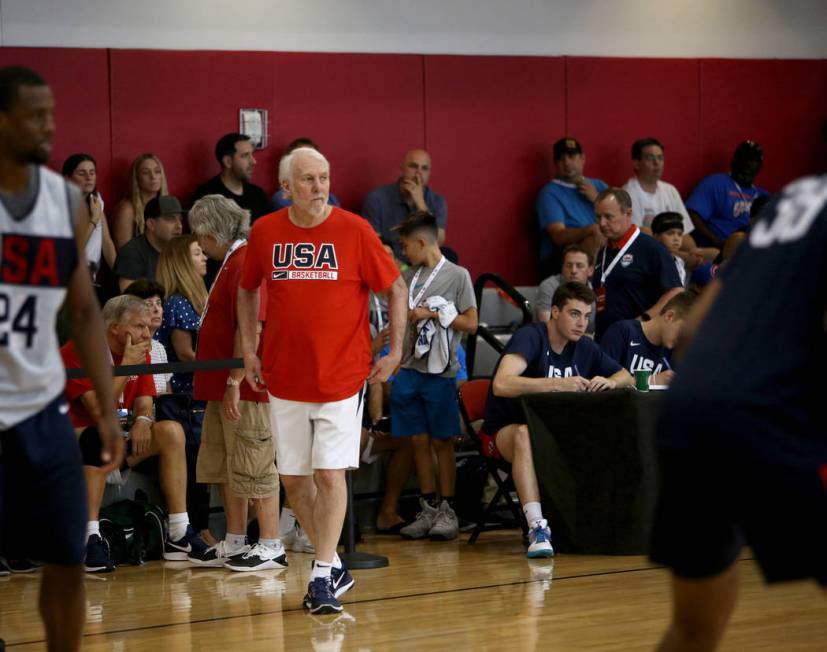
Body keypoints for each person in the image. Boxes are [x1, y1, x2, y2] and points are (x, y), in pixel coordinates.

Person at [650, 175, 827, 650]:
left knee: (692, 631)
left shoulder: (794, 199)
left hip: (693, 409)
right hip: (767, 418)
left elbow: (688, 338)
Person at [238, 146, 407, 614]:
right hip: (284, 377)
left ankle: (319, 577)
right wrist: (250, 350)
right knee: (294, 481)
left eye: (325, 178)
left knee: (329, 473)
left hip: (342, 376)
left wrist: (394, 351)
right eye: (309, 180)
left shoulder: (354, 229)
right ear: (286, 187)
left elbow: (395, 286)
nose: (319, 188)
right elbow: (248, 289)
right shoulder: (265, 231)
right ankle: (332, 566)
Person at [0, 65, 123, 652]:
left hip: (42, 406)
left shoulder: (66, 200)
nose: (50, 126)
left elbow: (84, 310)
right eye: (35, 115)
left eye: (53, 112)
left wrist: (108, 409)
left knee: (66, 557)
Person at [480, 282, 632, 558]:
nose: (581, 323)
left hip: (554, 435)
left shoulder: (585, 346)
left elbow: (627, 376)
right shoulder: (530, 336)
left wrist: (608, 381)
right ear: (554, 312)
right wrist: (556, 384)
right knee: (524, 434)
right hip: (503, 431)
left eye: (587, 316)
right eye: (574, 314)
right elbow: (502, 384)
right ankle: (537, 528)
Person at [62, 295, 208, 572]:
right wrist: (126, 365)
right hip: (76, 440)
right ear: (114, 327)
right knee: (97, 438)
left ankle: (179, 532)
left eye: (146, 326)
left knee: (171, 431)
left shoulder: (142, 351)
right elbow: (98, 410)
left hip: (121, 436)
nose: (146, 333)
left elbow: (145, 399)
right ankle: (88, 537)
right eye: (138, 326)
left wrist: (143, 419)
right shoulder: (79, 351)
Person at [187, 194, 285, 571]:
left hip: (244, 388)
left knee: (255, 461)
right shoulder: (231, 262)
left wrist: (234, 379)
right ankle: (236, 539)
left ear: (211, 232)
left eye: (199, 232)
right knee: (227, 465)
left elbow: (253, 326)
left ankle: (272, 543)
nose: (198, 239)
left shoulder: (245, 260)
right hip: (222, 385)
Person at [389, 211, 478, 542]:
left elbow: (471, 323)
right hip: (410, 370)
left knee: (442, 441)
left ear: (421, 242)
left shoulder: (458, 276)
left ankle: (447, 509)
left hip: (440, 372)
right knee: (417, 440)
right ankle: (427, 508)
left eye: (405, 246)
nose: (402, 253)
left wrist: (437, 313)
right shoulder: (408, 276)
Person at [592, 188, 684, 339]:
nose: (602, 223)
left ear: (628, 214)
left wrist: (644, 320)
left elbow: (676, 291)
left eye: (608, 217)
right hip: (607, 338)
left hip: (638, 341)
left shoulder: (651, 248)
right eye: (598, 217)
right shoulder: (603, 252)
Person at [622, 138, 716, 267]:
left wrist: (693, 254)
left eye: (660, 158)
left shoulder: (670, 190)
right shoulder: (628, 193)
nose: (657, 163)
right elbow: (638, 236)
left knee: (715, 254)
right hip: (647, 254)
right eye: (650, 158)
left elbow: (685, 234)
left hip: (676, 249)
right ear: (637, 163)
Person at [536, 137, 608, 277]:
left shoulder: (598, 186)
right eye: (561, 159)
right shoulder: (549, 192)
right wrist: (590, 229)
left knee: (644, 232)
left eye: (571, 156)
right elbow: (558, 236)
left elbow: (621, 219)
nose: (567, 162)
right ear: (555, 163)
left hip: (603, 245)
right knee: (593, 238)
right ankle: (594, 290)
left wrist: (596, 199)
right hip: (562, 256)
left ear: (583, 158)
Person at [362, 149, 447, 258]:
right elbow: (372, 243)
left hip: (423, 260)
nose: (419, 172)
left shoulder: (437, 202)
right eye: (413, 166)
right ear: (402, 168)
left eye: (424, 168)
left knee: (449, 254)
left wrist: (421, 204)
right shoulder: (377, 198)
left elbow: (438, 242)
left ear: (429, 173)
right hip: (390, 259)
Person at [686, 140, 769, 249]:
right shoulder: (715, 183)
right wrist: (718, 242)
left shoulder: (762, 195)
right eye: (745, 159)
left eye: (753, 160)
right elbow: (692, 215)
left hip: (752, 249)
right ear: (734, 162)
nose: (749, 164)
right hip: (719, 247)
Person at [600, 291, 694, 386]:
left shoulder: (672, 351)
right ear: (670, 316)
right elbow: (603, 383)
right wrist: (649, 381)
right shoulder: (623, 332)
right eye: (683, 330)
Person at [61, 153, 116, 283]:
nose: (89, 178)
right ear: (67, 178)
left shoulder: (96, 200)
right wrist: (93, 219)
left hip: (89, 278)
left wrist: (121, 275)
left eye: (92, 173)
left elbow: (106, 242)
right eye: (81, 173)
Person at [192, 133, 270, 221]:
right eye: (245, 156)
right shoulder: (207, 196)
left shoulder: (258, 194)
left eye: (252, 154)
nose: (253, 162)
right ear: (228, 161)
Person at [113, 195, 184, 290]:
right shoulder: (131, 253)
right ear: (151, 224)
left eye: (180, 219)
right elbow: (130, 301)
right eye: (171, 219)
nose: (179, 226)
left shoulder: (178, 251)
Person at [123, 279, 173, 395]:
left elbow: (167, 392)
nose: (156, 309)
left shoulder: (159, 348)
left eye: (159, 303)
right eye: (149, 304)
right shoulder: (127, 348)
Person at [534, 244, 596, 335]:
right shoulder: (549, 286)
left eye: (579, 266)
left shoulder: (596, 291)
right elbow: (547, 325)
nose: (573, 270)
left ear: (590, 270)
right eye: (569, 265)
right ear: (562, 267)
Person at [111, 153, 169, 249]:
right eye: (146, 172)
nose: (153, 177)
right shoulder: (127, 209)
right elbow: (124, 254)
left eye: (157, 171)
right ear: (136, 178)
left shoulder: (167, 205)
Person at [271, 137, 340, 210]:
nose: (318, 188)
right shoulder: (281, 198)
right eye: (308, 179)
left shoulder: (331, 199)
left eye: (323, 178)